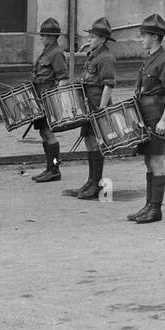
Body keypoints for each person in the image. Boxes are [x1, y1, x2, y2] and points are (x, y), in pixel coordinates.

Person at [128, 14, 165, 223]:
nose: (141, 39)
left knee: (156, 160)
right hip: (145, 114)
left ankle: (156, 209)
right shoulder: (149, 58)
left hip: (156, 114)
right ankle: (149, 204)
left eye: (144, 35)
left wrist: (164, 120)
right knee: (149, 160)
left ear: (155, 37)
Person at [64, 16, 116, 200]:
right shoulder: (93, 55)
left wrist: (101, 110)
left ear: (103, 39)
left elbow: (108, 85)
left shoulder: (106, 57)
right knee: (88, 141)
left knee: (96, 143)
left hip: (97, 106)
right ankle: (91, 180)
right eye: (90, 37)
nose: (89, 40)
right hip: (88, 106)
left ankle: (96, 183)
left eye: (93, 37)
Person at [28, 17, 69, 183]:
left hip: (48, 99)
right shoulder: (46, 51)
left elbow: (63, 78)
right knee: (43, 133)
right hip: (40, 98)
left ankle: (54, 169)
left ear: (52, 37)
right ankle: (49, 167)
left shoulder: (56, 53)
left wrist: (55, 102)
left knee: (49, 133)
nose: (41, 37)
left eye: (44, 35)